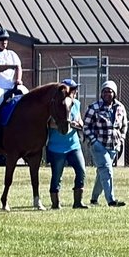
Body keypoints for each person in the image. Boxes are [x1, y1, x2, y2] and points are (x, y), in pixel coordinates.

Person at [84, 80, 129, 207]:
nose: (107, 94)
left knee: (101, 173)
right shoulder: (94, 107)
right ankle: (111, 200)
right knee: (107, 170)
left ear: (114, 93)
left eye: (109, 91)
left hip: (113, 146)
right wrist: (94, 141)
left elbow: (124, 125)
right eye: (104, 91)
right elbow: (86, 126)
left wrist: (121, 140)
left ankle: (94, 199)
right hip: (99, 146)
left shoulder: (120, 107)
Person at [47, 79, 88, 210]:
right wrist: (66, 123)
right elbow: (49, 123)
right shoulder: (54, 105)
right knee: (57, 176)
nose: (75, 92)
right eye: (73, 89)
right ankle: (55, 203)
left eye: (75, 89)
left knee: (81, 171)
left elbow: (80, 120)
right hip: (57, 147)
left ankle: (78, 202)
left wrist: (79, 125)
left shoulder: (76, 103)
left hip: (74, 145)